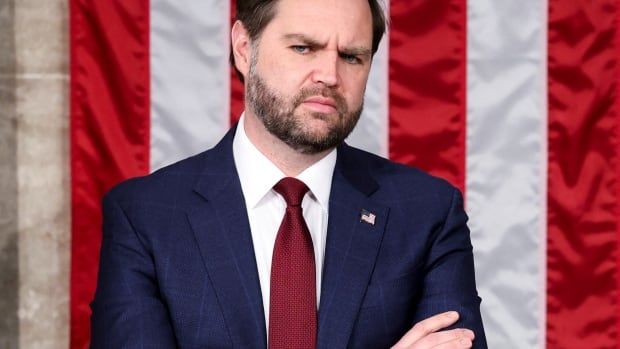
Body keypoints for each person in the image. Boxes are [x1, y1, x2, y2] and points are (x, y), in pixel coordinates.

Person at [90, 0, 487, 348]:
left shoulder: (428, 213)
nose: (329, 75)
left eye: (351, 56)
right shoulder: (145, 216)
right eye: (303, 47)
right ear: (244, 48)